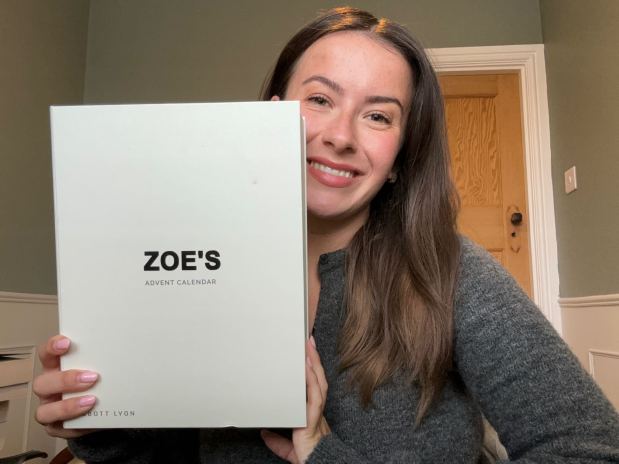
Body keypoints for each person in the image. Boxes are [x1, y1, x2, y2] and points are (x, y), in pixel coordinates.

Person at [34, 7, 619, 463]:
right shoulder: (183, 261)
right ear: (270, 113)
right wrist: (101, 425)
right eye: (319, 100)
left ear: (399, 156)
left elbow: (591, 451)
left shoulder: (449, 271)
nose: (340, 136)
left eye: (378, 115)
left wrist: (323, 453)